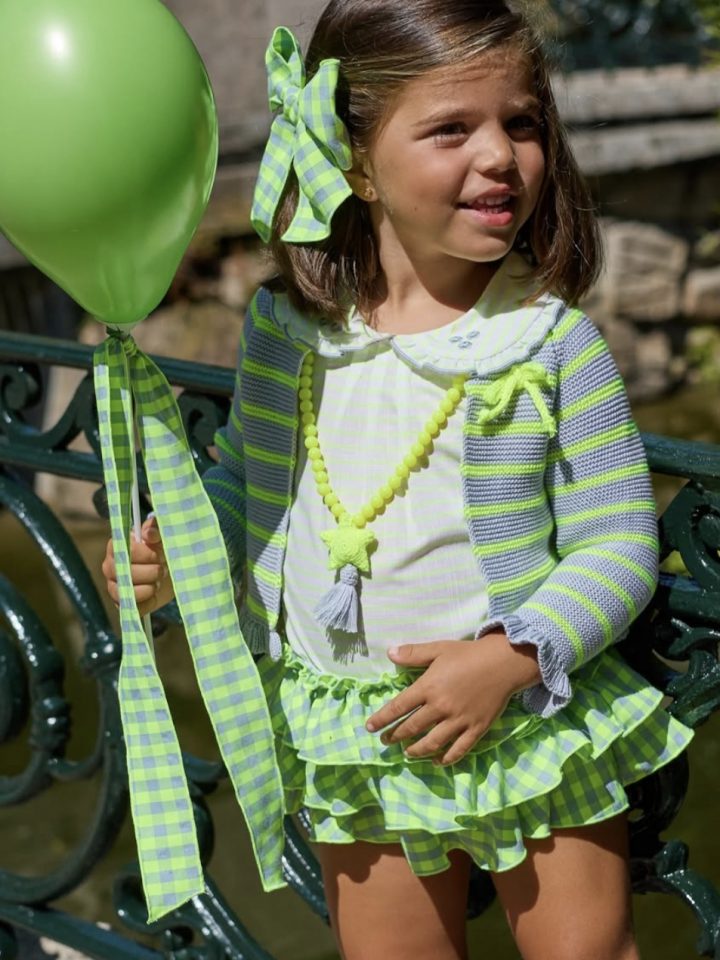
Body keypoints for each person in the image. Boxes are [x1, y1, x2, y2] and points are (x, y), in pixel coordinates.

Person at [103, 1, 693, 957]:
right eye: (452, 129)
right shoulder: (285, 336)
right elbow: (251, 493)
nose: (501, 155)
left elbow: (622, 539)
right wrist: (177, 544)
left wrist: (510, 656)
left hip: (525, 723)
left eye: (522, 123)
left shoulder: (548, 344)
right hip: (354, 728)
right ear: (358, 163)